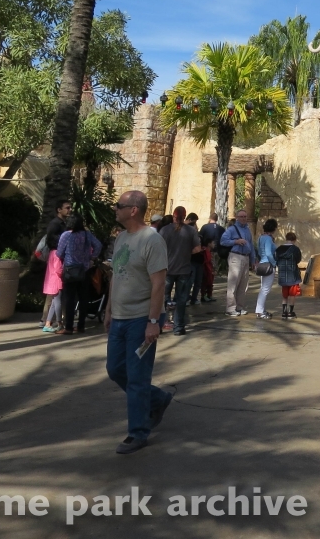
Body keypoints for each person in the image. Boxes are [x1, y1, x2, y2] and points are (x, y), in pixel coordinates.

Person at [105, 191, 172, 454]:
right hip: (119, 317)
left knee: (137, 377)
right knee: (115, 369)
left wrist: (153, 321)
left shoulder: (152, 240)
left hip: (141, 318)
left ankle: (138, 432)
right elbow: (115, 276)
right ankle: (158, 398)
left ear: (134, 210)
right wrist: (109, 309)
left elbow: (158, 284)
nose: (115, 209)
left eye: (119, 206)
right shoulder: (122, 237)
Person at [158, 206, 201, 336]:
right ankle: (178, 327)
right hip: (184, 269)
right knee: (181, 300)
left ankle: (159, 325)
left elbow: (158, 247)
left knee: (163, 299)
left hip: (167, 269)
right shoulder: (190, 230)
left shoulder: (165, 230)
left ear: (173, 215)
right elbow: (198, 249)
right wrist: (187, 252)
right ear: (185, 216)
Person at [56, 215, 102, 335]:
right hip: (84, 270)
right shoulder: (86, 234)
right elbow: (98, 245)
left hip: (70, 270)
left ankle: (69, 327)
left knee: (70, 299)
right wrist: (92, 259)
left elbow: (59, 252)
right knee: (83, 299)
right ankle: (81, 326)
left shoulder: (66, 235)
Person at [41, 199, 72, 329]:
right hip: (56, 257)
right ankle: (49, 321)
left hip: (59, 257)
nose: (69, 210)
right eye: (67, 208)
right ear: (59, 210)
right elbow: (50, 240)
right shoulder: (55, 224)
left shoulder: (64, 223)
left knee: (56, 294)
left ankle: (51, 321)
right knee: (55, 294)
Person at [220, 209, 257, 316]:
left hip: (245, 257)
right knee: (233, 283)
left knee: (243, 284)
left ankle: (240, 307)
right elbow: (223, 241)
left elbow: (251, 246)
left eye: (245, 216)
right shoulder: (231, 229)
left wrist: (253, 260)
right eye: (241, 216)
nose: (244, 218)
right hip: (235, 257)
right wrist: (236, 241)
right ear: (237, 218)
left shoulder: (248, 230)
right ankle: (230, 308)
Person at [276, 231, 303, 319]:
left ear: (286, 238)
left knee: (285, 294)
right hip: (292, 273)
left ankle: (284, 312)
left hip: (282, 274)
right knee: (292, 294)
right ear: (294, 240)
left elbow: (277, 261)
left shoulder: (279, 249)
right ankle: (290, 312)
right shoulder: (295, 249)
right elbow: (298, 259)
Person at [255, 218, 279, 319]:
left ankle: (261, 309)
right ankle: (260, 311)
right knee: (265, 289)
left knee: (263, 288)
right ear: (274, 228)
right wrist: (274, 263)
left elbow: (260, 252)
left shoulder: (261, 238)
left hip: (262, 264)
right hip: (268, 265)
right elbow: (269, 253)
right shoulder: (269, 239)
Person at [185, 213, 203, 307]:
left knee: (197, 281)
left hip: (199, 261)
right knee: (190, 281)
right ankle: (187, 298)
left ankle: (194, 298)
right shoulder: (188, 233)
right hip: (192, 261)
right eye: (195, 223)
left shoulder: (198, 235)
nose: (196, 226)